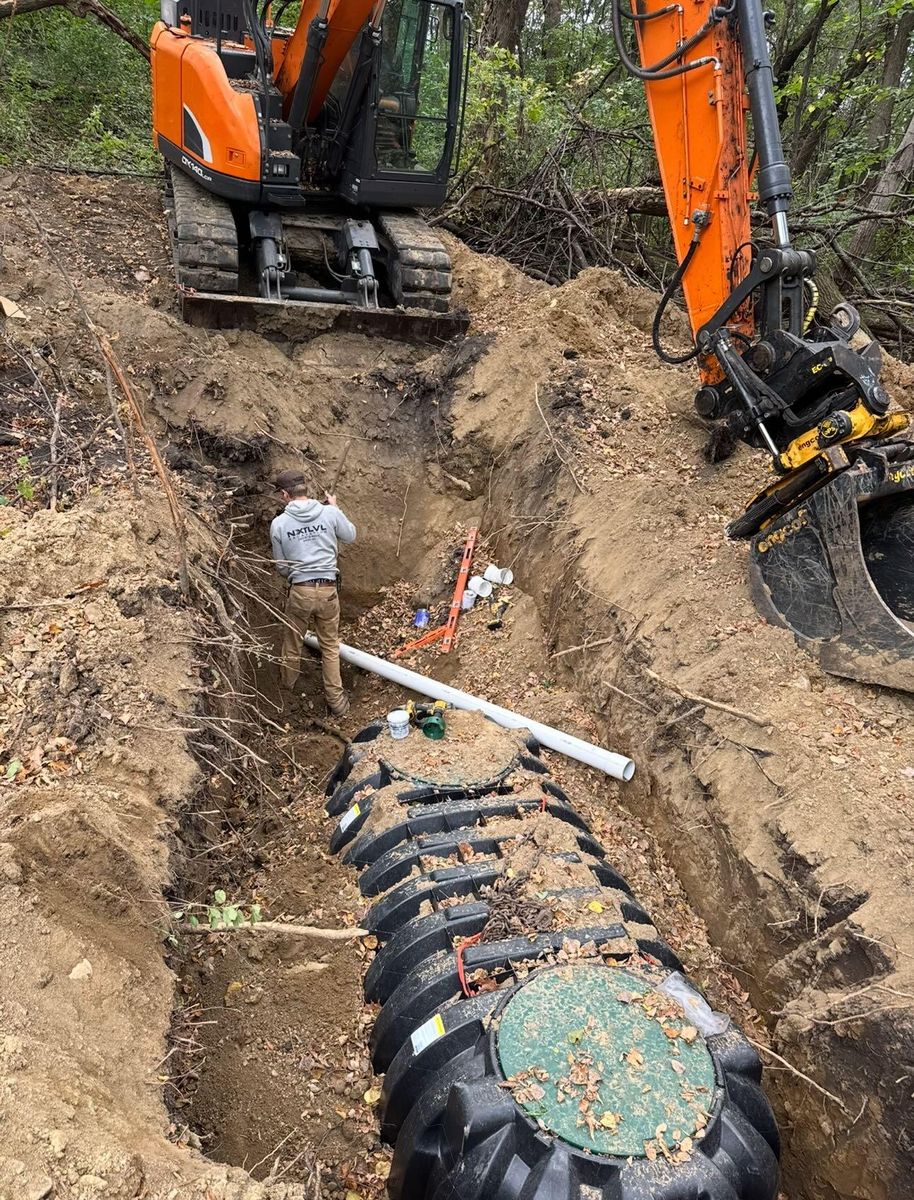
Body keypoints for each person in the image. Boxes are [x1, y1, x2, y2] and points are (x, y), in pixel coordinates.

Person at [270, 468, 356, 717]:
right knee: (330, 647)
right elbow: (350, 535)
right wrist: (335, 508)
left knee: (292, 643)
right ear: (305, 489)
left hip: (301, 591)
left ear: (285, 494)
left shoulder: (279, 524)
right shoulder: (329, 513)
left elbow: (282, 568)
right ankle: (337, 703)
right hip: (328, 590)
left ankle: (286, 696)